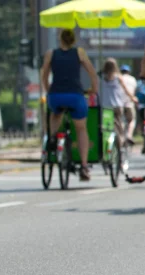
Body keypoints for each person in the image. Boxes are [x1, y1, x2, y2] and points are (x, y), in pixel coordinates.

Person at [41, 28, 98, 181]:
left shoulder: (50, 53)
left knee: (55, 114)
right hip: (75, 96)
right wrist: (93, 89)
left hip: (56, 96)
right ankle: (84, 166)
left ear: (60, 39)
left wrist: (48, 90)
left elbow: (44, 74)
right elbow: (92, 72)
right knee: (80, 129)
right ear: (73, 39)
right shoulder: (79, 53)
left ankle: (52, 139)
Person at [100, 58, 138, 148]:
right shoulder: (118, 77)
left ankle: (105, 145)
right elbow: (126, 90)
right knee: (119, 126)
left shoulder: (102, 77)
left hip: (105, 105)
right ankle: (120, 146)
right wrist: (132, 98)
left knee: (105, 126)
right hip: (117, 105)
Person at [120, 64, 137, 145]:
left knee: (121, 121)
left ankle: (122, 137)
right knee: (132, 120)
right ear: (129, 72)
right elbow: (134, 91)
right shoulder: (133, 79)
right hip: (129, 103)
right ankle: (129, 135)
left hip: (120, 103)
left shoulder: (119, 78)